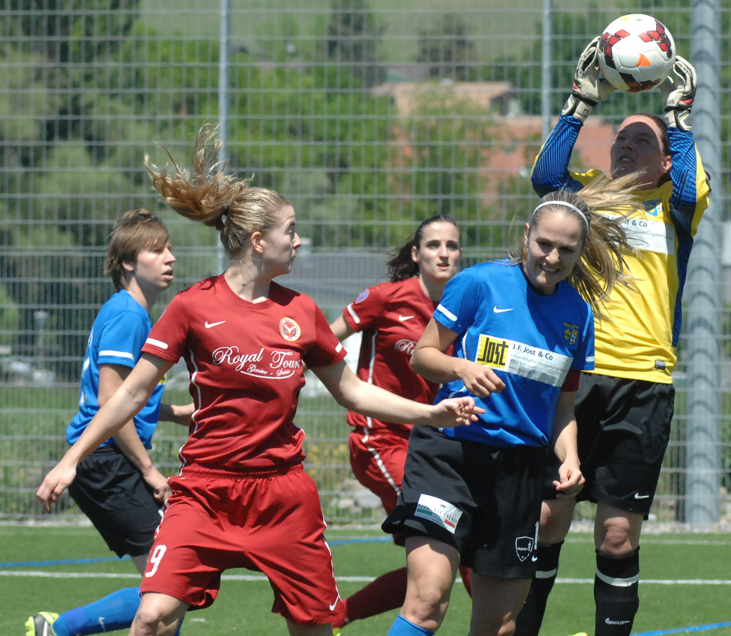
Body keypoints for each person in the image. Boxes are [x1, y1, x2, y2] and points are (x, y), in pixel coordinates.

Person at [35, 127, 482, 636]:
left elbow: (351, 391)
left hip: (282, 497)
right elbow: (131, 393)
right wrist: (71, 460)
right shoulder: (191, 307)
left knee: (314, 626)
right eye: (290, 230)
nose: (297, 240)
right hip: (205, 490)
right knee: (154, 616)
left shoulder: (302, 311)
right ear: (257, 241)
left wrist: (429, 413)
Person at [381, 180, 640, 636]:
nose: (552, 258)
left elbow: (563, 409)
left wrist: (572, 459)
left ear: (581, 252)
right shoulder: (478, 283)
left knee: (499, 624)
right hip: (450, 455)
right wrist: (461, 367)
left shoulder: (577, 315)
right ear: (526, 236)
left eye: (566, 250)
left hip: (518, 470)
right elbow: (423, 355)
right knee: (427, 599)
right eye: (544, 244)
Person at [513, 40, 711, 636]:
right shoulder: (587, 200)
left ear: (664, 160)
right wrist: (580, 103)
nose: (625, 146)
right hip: (577, 380)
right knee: (548, 515)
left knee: (617, 534)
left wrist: (676, 118)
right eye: (619, 138)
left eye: (640, 141)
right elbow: (545, 177)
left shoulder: (676, 205)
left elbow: (691, 185)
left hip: (644, 384)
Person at [27, 210, 194, 636]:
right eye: (157, 250)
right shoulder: (129, 316)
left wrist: (178, 415)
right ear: (128, 263)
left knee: (170, 588)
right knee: (171, 587)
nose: (170, 258)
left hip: (107, 459)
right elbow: (111, 402)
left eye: (170, 248)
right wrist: (150, 470)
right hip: (109, 462)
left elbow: (130, 400)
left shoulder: (130, 312)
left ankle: (59, 629)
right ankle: (60, 628)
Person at [327, 215, 474, 626]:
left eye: (452, 245)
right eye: (433, 245)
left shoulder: (461, 306)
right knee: (451, 539)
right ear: (416, 253)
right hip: (380, 442)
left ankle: (334, 619)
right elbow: (319, 340)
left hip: (428, 445)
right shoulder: (385, 298)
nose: (443, 253)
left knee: (437, 560)